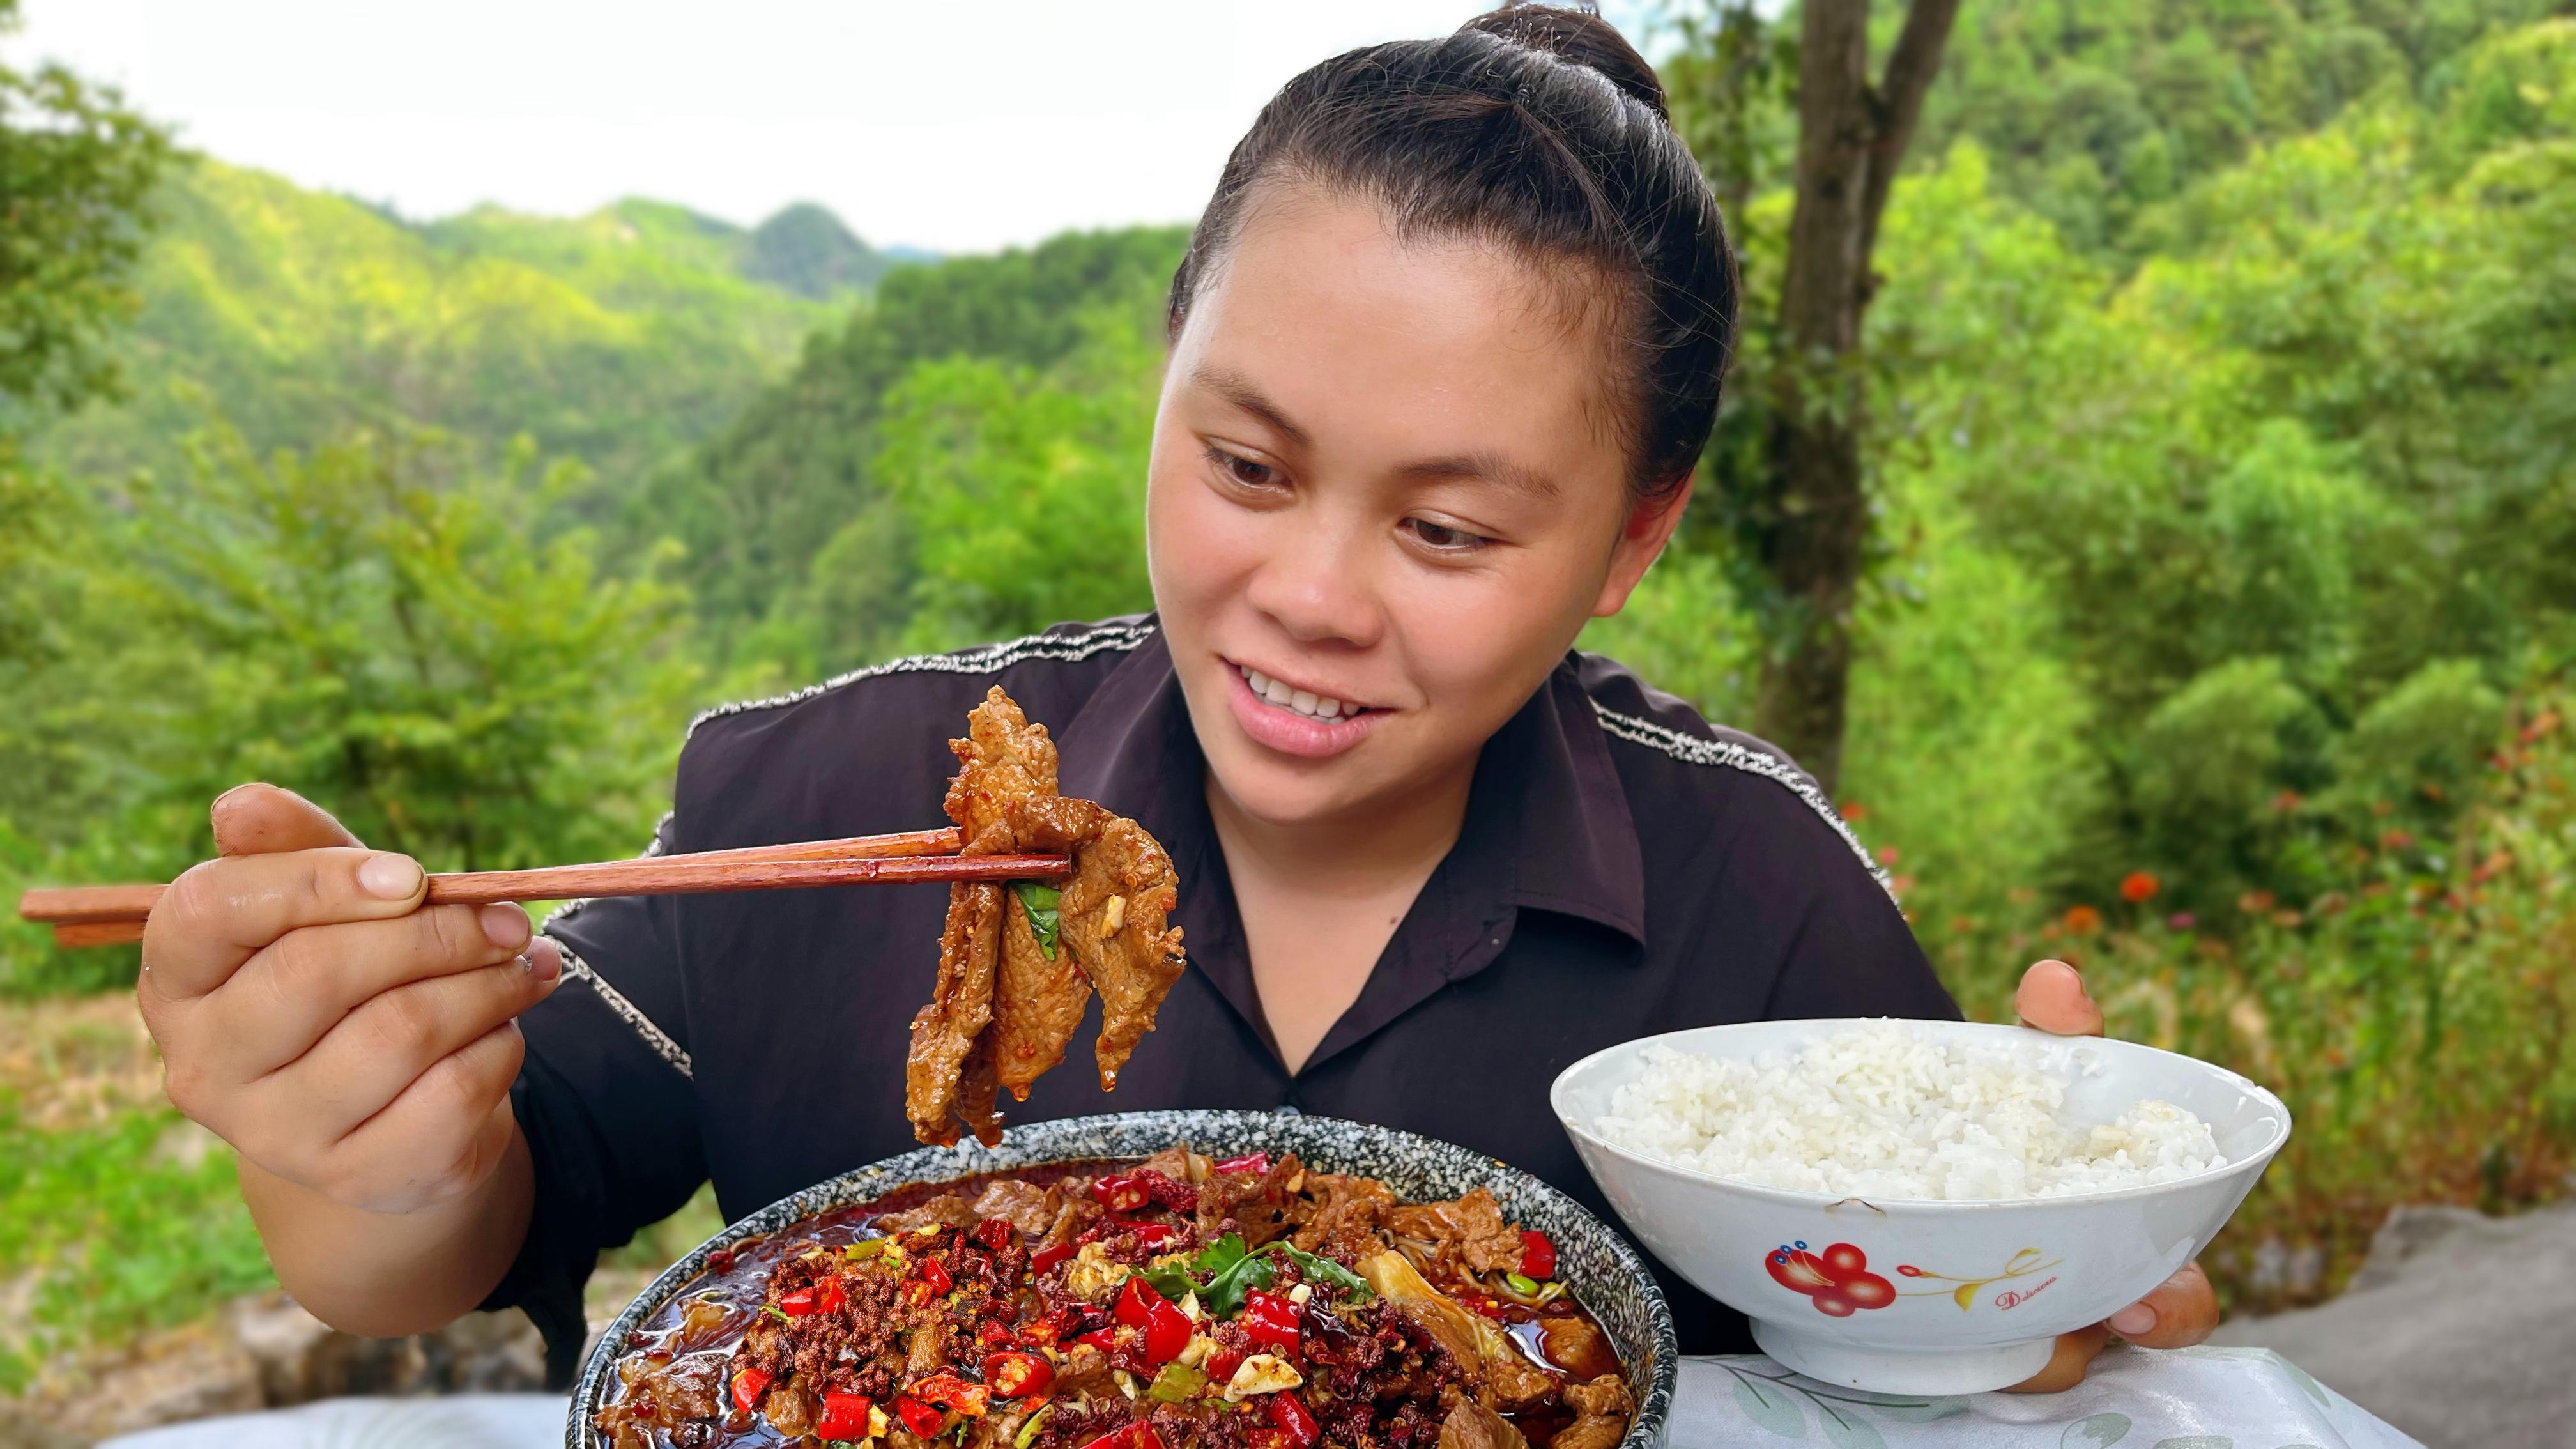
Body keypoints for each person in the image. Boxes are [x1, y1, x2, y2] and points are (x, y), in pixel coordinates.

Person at [133, 2, 2214, 1397]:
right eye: (1244, 464)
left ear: (1634, 538)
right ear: (1162, 374)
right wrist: (363, 1140)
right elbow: (452, 1228)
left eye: (1454, 531)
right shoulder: (845, 782)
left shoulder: (1765, 900)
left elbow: (1950, 1343)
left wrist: (2040, 1308)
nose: (1305, 600)